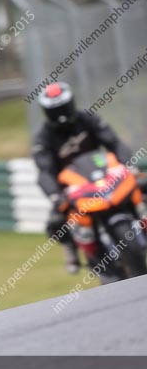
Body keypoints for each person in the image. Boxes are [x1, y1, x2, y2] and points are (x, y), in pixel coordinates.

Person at [32, 82, 141, 273]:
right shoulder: (42, 137)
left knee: (141, 185)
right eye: (55, 110)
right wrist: (55, 196)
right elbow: (44, 171)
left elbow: (114, 142)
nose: (61, 114)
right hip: (71, 188)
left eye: (63, 108)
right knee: (55, 223)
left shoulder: (88, 118)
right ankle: (72, 247)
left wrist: (128, 165)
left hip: (104, 175)